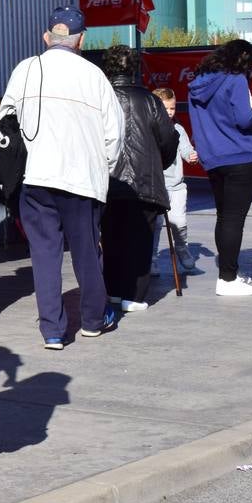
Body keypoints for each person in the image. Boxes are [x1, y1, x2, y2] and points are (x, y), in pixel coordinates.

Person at [0, 7, 122, 349]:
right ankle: (94, 319)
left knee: (44, 253)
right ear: (82, 39)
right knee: (86, 250)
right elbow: (115, 134)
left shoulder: (25, 70)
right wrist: (104, 169)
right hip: (82, 179)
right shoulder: (94, 75)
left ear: (46, 37)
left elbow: (5, 120)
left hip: (36, 177)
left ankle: (52, 329)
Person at [99, 46, 178, 312]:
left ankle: (112, 290)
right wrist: (159, 162)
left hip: (107, 180)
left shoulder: (100, 98)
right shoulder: (150, 100)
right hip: (145, 178)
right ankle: (133, 295)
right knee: (140, 238)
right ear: (134, 69)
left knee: (110, 236)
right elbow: (167, 140)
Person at [187, 39, 252, 295]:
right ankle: (227, 279)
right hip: (239, 155)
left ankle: (228, 274)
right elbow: (243, 119)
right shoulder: (236, 79)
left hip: (213, 157)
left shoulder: (198, 82)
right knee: (233, 219)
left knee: (224, 217)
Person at [150, 87, 200, 276]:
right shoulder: (150, 129)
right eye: (165, 109)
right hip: (156, 186)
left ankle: (182, 248)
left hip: (176, 186)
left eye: (172, 109)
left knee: (178, 221)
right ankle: (151, 259)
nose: (169, 113)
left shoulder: (177, 128)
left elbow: (186, 148)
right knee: (154, 225)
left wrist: (191, 155)